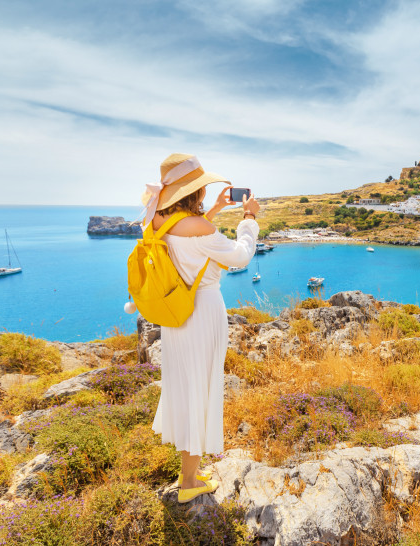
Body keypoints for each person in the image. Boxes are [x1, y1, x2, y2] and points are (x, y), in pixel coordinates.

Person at [142, 153, 260, 503]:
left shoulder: (158, 220)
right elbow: (239, 257)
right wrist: (249, 219)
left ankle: (189, 471)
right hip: (202, 313)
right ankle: (189, 483)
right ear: (194, 192)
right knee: (201, 390)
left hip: (176, 316)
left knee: (185, 387)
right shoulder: (200, 228)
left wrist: (213, 214)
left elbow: (186, 238)